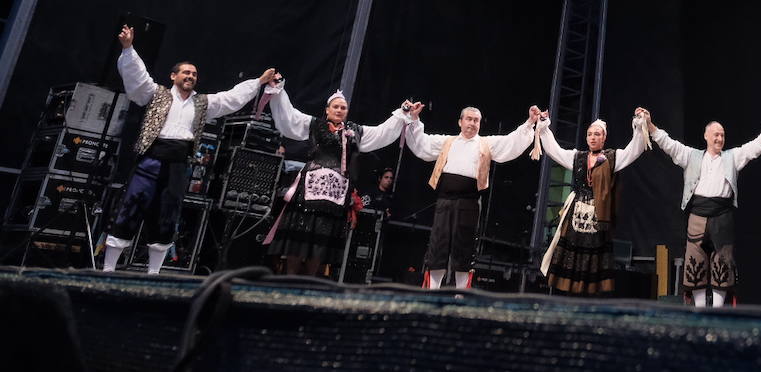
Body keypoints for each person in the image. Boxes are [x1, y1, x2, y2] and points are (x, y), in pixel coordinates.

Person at [103, 25, 277, 274]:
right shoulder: (155, 94)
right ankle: (108, 269)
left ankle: (153, 273)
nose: (190, 76)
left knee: (166, 215)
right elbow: (137, 78)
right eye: (186, 72)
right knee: (130, 207)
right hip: (150, 160)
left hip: (177, 165)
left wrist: (258, 82)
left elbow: (231, 98)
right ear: (173, 76)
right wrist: (128, 48)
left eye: (194, 74)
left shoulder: (203, 103)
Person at [264, 83, 414, 276]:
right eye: (335, 106)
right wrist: (279, 91)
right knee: (299, 239)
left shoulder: (354, 131)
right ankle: (289, 279)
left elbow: (381, 132)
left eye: (343, 108)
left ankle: (308, 282)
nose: (339, 110)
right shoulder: (315, 124)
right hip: (308, 194)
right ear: (327, 110)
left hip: (334, 199)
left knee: (321, 241)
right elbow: (290, 116)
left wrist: (402, 113)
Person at [646, 108, 761, 306]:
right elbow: (668, 144)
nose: (720, 138)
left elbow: (756, 146)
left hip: (722, 216)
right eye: (716, 134)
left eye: (723, 135)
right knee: (695, 265)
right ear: (706, 135)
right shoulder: (690, 156)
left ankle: (717, 313)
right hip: (697, 216)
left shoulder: (733, 157)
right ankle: (700, 313)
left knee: (722, 264)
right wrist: (649, 125)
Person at [405, 104, 542, 288]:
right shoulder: (447, 141)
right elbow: (422, 143)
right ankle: (431, 291)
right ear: (460, 122)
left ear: (480, 124)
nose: (472, 123)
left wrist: (529, 123)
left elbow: (511, 142)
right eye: (468, 119)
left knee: (464, 249)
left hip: (469, 203)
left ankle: (461, 294)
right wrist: (414, 119)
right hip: (445, 202)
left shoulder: (486, 143)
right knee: (438, 247)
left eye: (476, 120)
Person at [537, 110, 648, 296]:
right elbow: (554, 150)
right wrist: (544, 127)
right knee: (570, 257)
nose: (593, 137)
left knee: (593, 261)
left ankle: (588, 301)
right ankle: (566, 298)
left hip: (599, 217)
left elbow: (634, 150)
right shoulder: (577, 157)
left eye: (597, 134)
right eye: (590, 134)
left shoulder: (612, 158)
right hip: (576, 213)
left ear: (604, 137)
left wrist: (639, 124)